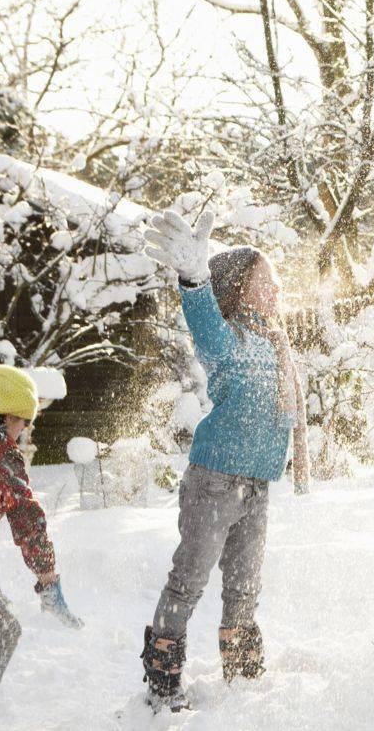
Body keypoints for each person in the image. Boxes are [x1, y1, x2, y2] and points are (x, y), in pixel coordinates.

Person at [139, 210, 310, 712]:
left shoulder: (276, 345)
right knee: (189, 578)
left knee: (244, 585)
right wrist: (194, 281)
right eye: (266, 281)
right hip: (214, 481)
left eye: (277, 281)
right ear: (239, 286)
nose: (276, 288)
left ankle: (241, 674)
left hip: (256, 484)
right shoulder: (229, 340)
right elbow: (204, 324)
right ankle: (164, 677)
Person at [0, 364, 82, 726]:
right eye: (24, 420)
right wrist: (47, 577)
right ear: (7, 415)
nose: (26, 428)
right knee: (0, 630)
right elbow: (26, 517)